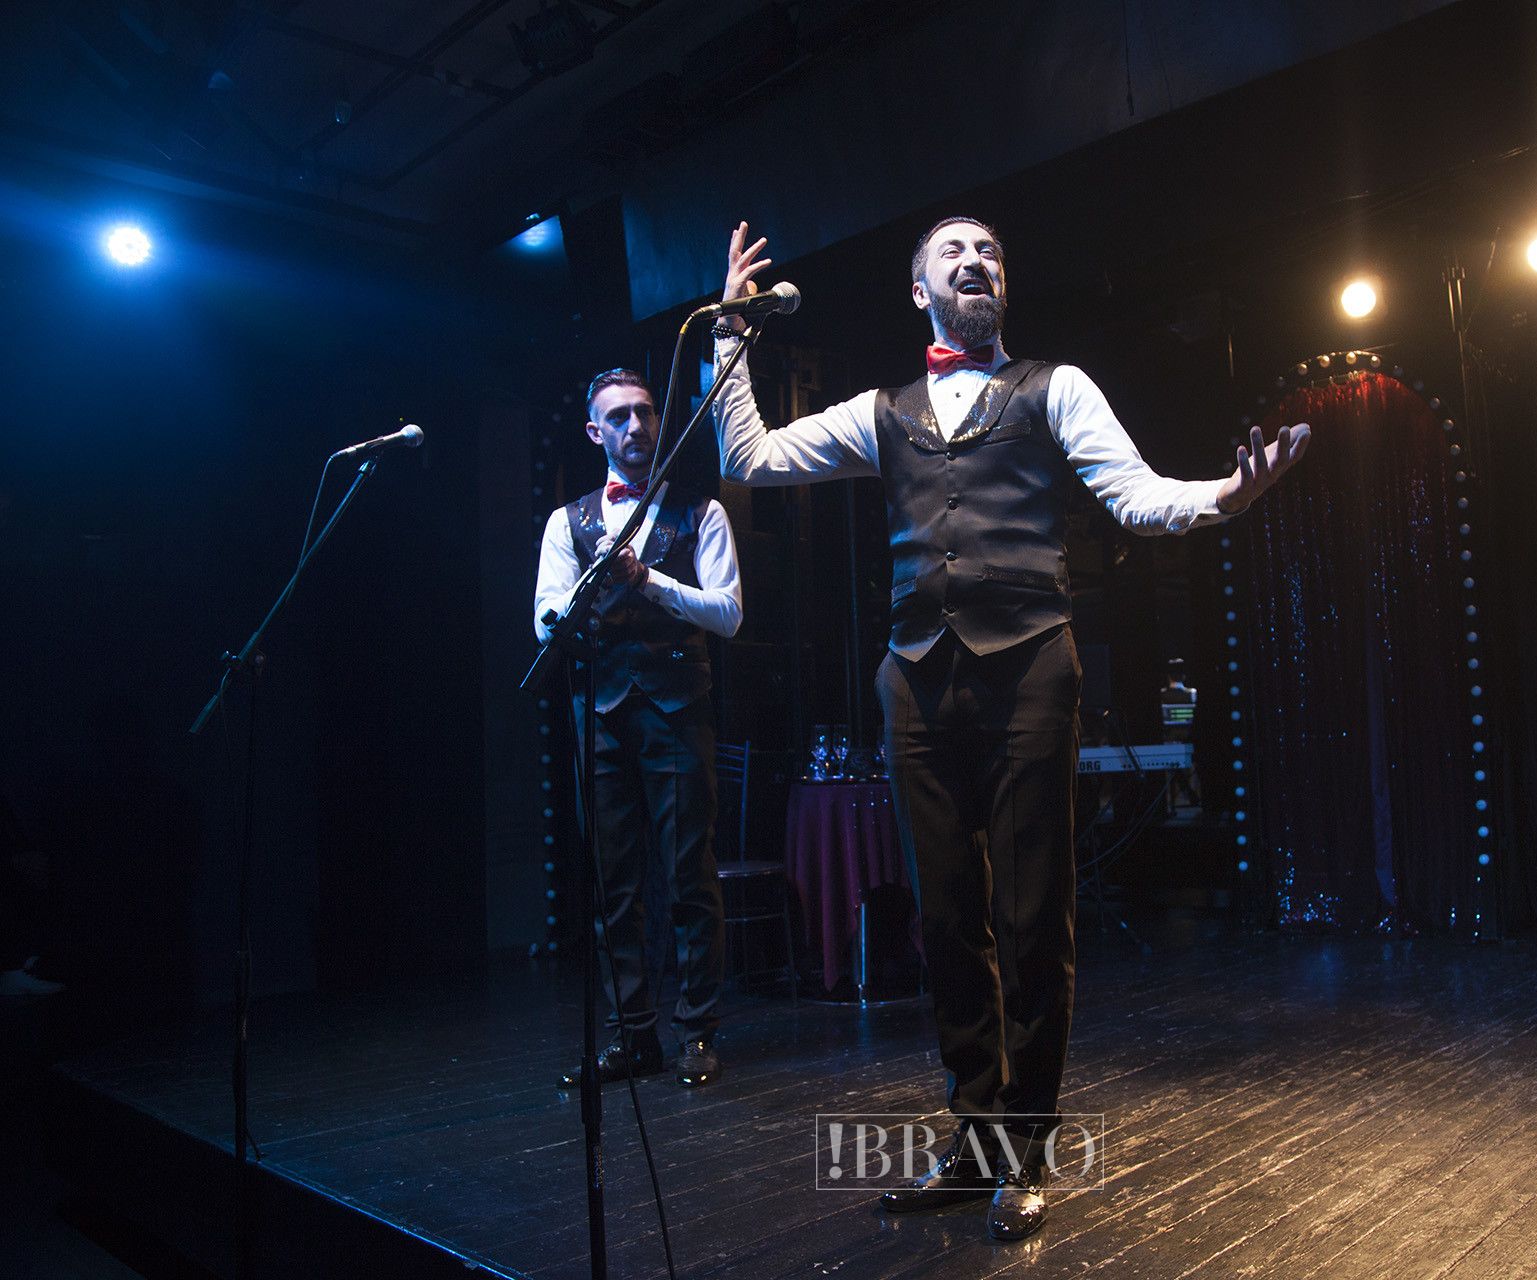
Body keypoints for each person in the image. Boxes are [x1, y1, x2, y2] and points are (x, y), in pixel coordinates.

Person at [711, 218, 1309, 1240]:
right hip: (915, 676)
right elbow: (750, 455)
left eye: (988, 250)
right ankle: (975, 1135)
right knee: (945, 915)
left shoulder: (1055, 386)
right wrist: (731, 335)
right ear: (919, 291)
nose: (975, 260)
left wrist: (1227, 496)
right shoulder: (879, 411)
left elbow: (1136, 498)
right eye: (952, 252)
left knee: (1033, 915)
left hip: (1030, 664)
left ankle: (1025, 1146)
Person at [535, 368, 743, 1089]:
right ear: (595, 432)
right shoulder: (567, 523)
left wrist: (648, 581)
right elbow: (545, 618)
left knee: (688, 877)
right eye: (619, 417)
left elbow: (728, 613)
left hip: (678, 710)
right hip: (600, 713)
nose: (636, 426)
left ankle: (698, 1031)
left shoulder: (702, 512)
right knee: (612, 885)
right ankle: (632, 1036)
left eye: (645, 412)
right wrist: (581, 596)